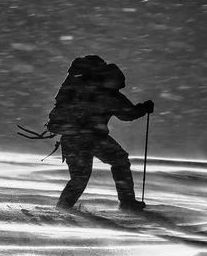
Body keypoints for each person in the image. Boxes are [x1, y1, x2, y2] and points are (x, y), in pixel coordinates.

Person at [54, 55, 154, 211]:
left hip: (72, 138)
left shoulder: (79, 90)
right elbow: (127, 114)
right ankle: (127, 202)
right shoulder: (110, 96)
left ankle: (63, 207)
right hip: (95, 139)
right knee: (119, 160)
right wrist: (144, 109)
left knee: (79, 178)